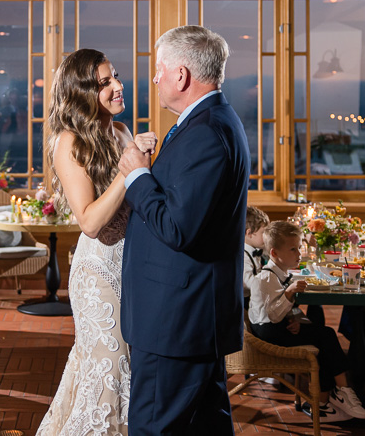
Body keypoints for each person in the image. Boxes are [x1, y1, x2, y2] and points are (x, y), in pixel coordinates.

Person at [116, 25, 249, 434]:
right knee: (207, 426)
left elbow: (178, 228)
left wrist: (138, 176)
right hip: (192, 315)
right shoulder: (209, 123)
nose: (155, 78)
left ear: (181, 75)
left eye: (160, 69)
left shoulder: (206, 132)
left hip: (176, 319)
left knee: (153, 427)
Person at [36, 49, 140, 436]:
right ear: (82, 92)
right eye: (104, 83)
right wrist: (130, 168)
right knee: (107, 373)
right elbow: (91, 221)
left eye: (115, 77)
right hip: (98, 275)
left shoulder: (121, 131)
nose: (117, 86)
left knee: (124, 374)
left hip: (131, 269)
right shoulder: (70, 142)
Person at [249, 221, 365, 423]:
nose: (299, 253)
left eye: (299, 247)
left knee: (320, 337)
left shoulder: (281, 274)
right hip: (268, 334)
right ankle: (343, 391)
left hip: (277, 327)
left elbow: (284, 311)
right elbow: (273, 315)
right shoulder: (266, 278)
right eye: (293, 249)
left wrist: (295, 319)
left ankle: (323, 404)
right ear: (275, 253)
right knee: (326, 335)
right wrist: (289, 292)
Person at [242, 206, 269, 307]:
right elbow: (249, 283)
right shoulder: (243, 256)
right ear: (249, 233)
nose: (267, 236)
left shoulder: (259, 249)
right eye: (264, 233)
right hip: (246, 302)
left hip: (257, 297)